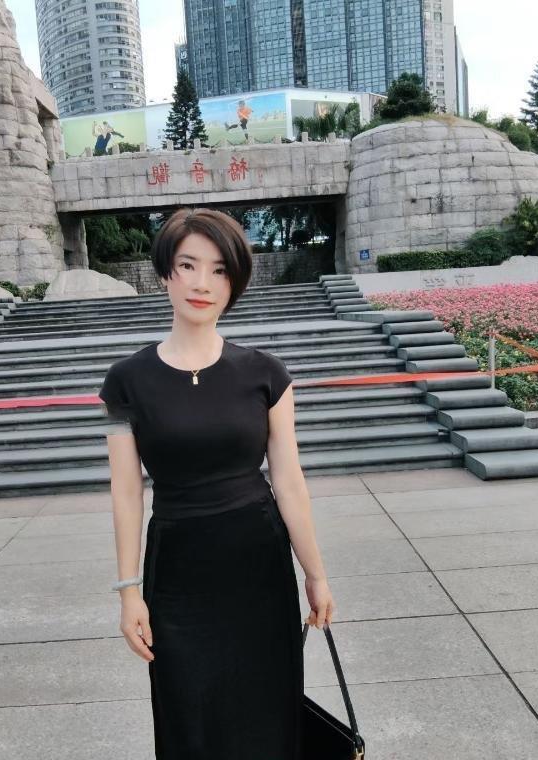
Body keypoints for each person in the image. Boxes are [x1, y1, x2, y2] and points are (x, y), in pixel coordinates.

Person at [98, 207, 335, 759]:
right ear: (165, 273)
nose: (202, 283)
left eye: (219, 269)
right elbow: (126, 491)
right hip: (177, 573)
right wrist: (128, 592)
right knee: (187, 714)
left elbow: (289, 481)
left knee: (265, 711)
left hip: (258, 566)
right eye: (188, 265)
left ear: (235, 282)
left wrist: (315, 574)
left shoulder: (267, 374)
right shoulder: (124, 382)